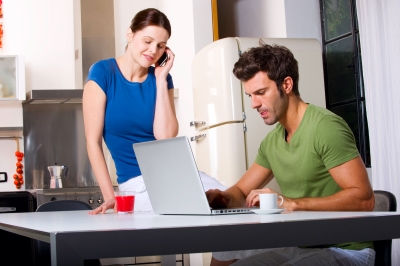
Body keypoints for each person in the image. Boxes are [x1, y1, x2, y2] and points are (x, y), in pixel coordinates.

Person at [206, 40, 376, 266]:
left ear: (286, 84)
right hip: (301, 244)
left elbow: (364, 199)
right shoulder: (273, 141)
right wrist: (223, 197)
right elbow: (240, 191)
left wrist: (292, 203)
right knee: (225, 249)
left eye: (261, 92)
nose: (254, 104)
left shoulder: (325, 127)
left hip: (347, 250)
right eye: (250, 96)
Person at [82, 8, 178, 214]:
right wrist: (110, 197)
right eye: (147, 41)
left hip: (173, 176)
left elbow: (166, 138)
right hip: (136, 184)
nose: (153, 50)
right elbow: (93, 142)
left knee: (225, 201)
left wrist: (161, 79)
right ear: (130, 34)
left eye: (161, 46)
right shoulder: (103, 73)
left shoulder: (162, 79)